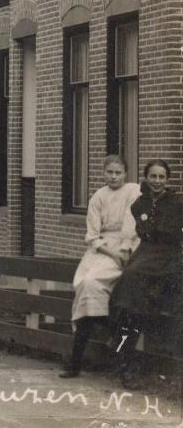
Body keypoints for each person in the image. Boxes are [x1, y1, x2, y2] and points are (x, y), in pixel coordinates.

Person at [59, 155, 141, 378]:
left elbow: (131, 227)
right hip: (103, 250)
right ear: (103, 173)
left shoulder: (133, 191)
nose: (114, 177)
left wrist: (122, 252)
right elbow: (92, 236)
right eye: (110, 172)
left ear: (126, 173)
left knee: (94, 284)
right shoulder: (98, 196)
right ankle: (78, 358)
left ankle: (108, 343)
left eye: (118, 173)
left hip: (127, 247)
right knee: (85, 283)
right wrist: (109, 251)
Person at [108, 159, 182, 389]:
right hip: (147, 253)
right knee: (129, 286)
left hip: (170, 256)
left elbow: (171, 234)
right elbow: (145, 233)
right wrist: (153, 228)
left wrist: (155, 228)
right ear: (146, 178)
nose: (157, 181)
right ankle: (125, 360)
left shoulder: (178, 202)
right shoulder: (138, 205)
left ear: (167, 180)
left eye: (162, 177)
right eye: (153, 176)